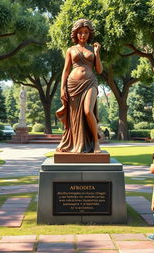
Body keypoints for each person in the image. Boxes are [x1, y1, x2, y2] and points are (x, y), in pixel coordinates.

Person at [56, 18, 103, 153]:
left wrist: (97, 53)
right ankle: (77, 143)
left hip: (90, 82)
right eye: (80, 32)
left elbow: (99, 70)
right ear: (75, 34)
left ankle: (96, 143)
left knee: (88, 111)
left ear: (90, 34)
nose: (83, 35)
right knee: (75, 117)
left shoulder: (93, 49)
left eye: (86, 32)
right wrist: (62, 89)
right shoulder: (70, 50)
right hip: (73, 85)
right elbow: (65, 70)